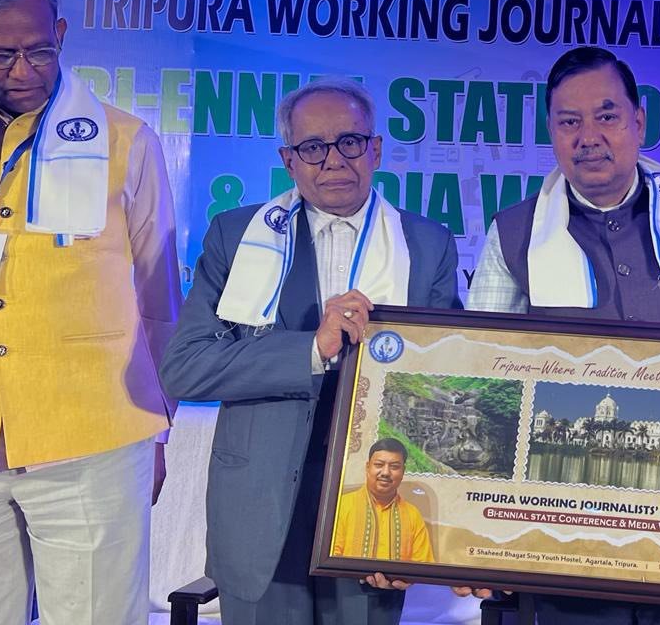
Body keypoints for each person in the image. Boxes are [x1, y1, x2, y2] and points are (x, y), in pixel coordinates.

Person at [466, 45, 660, 625]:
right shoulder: (515, 233)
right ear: (551, 131)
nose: (588, 137)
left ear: (638, 122)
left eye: (607, 116)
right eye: (568, 122)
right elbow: (480, 376)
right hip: (557, 540)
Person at [160, 78, 461, 625]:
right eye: (313, 147)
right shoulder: (236, 235)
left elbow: (445, 387)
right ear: (289, 160)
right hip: (259, 500)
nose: (334, 160)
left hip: (376, 497)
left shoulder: (427, 243)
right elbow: (185, 368)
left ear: (375, 149)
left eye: (350, 142)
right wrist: (311, 350)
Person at [0, 0, 180, 624]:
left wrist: (159, 428)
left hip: (93, 439)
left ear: (61, 34)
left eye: (39, 50)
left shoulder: (125, 141)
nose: (23, 71)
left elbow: (158, 294)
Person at [332, 438, 434, 564]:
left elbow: (422, 567)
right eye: (379, 465)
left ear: (403, 472)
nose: (385, 472)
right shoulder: (341, 506)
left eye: (394, 467)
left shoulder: (413, 516)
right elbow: (330, 560)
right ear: (368, 467)